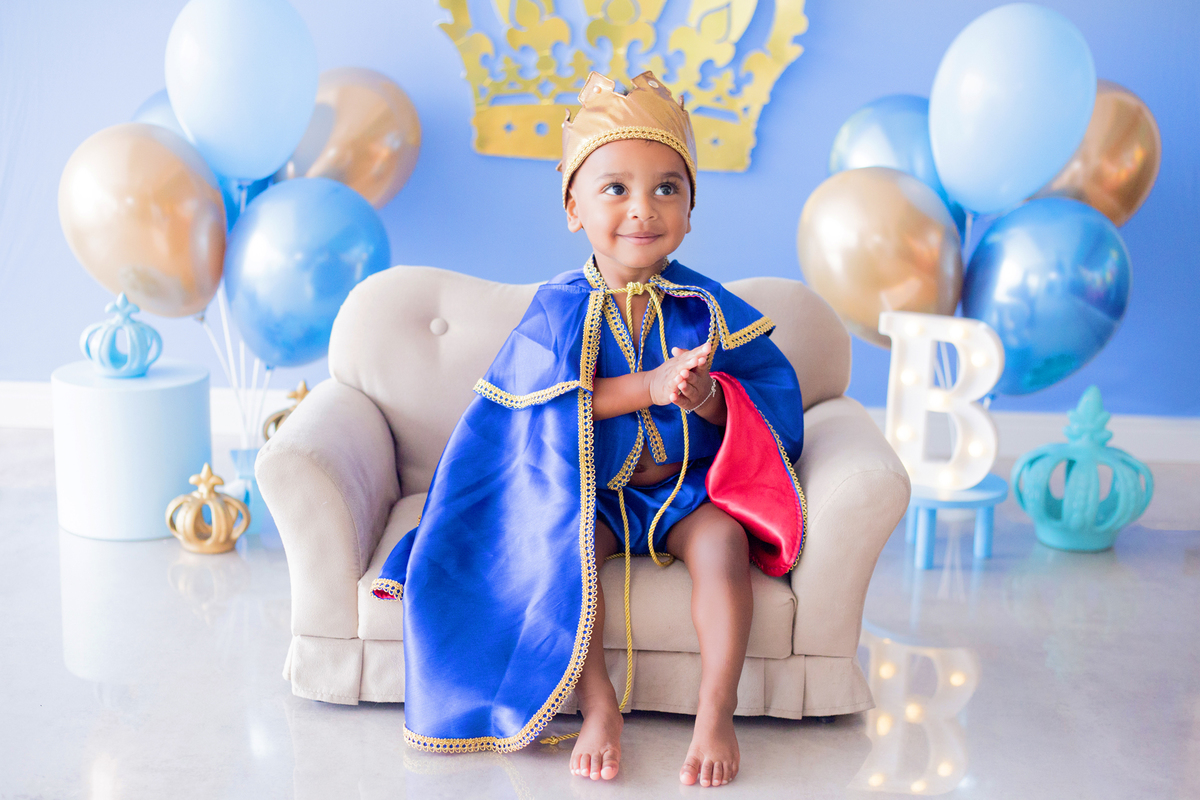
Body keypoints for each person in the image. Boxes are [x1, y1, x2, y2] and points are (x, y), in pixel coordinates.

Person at [372, 71, 806, 790]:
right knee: (567, 555)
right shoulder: (557, 308)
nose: (643, 209)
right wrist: (647, 385)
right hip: (595, 495)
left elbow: (771, 401)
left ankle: (715, 713)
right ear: (573, 206)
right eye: (615, 189)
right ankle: (599, 706)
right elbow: (530, 409)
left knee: (723, 545)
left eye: (668, 188)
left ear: (692, 209)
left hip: (684, 493)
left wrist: (704, 399)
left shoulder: (708, 307)